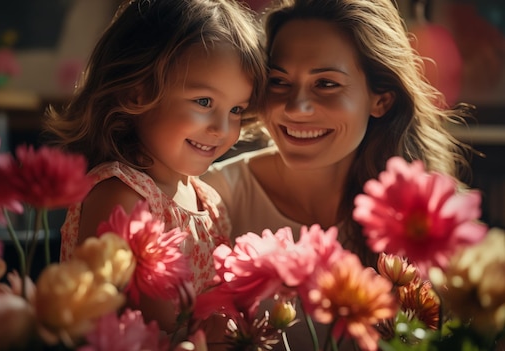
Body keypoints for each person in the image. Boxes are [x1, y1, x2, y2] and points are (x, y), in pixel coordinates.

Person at [201, 0, 474, 349]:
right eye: (279, 81)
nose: (296, 107)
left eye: (326, 84)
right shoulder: (214, 197)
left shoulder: (427, 218)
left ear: (382, 100)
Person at [43, 0, 267, 338]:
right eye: (204, 102)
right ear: (137, 92)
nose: (222, 128)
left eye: (236, 109)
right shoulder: (121, 196)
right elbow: (156, 329)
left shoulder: (209, 201)